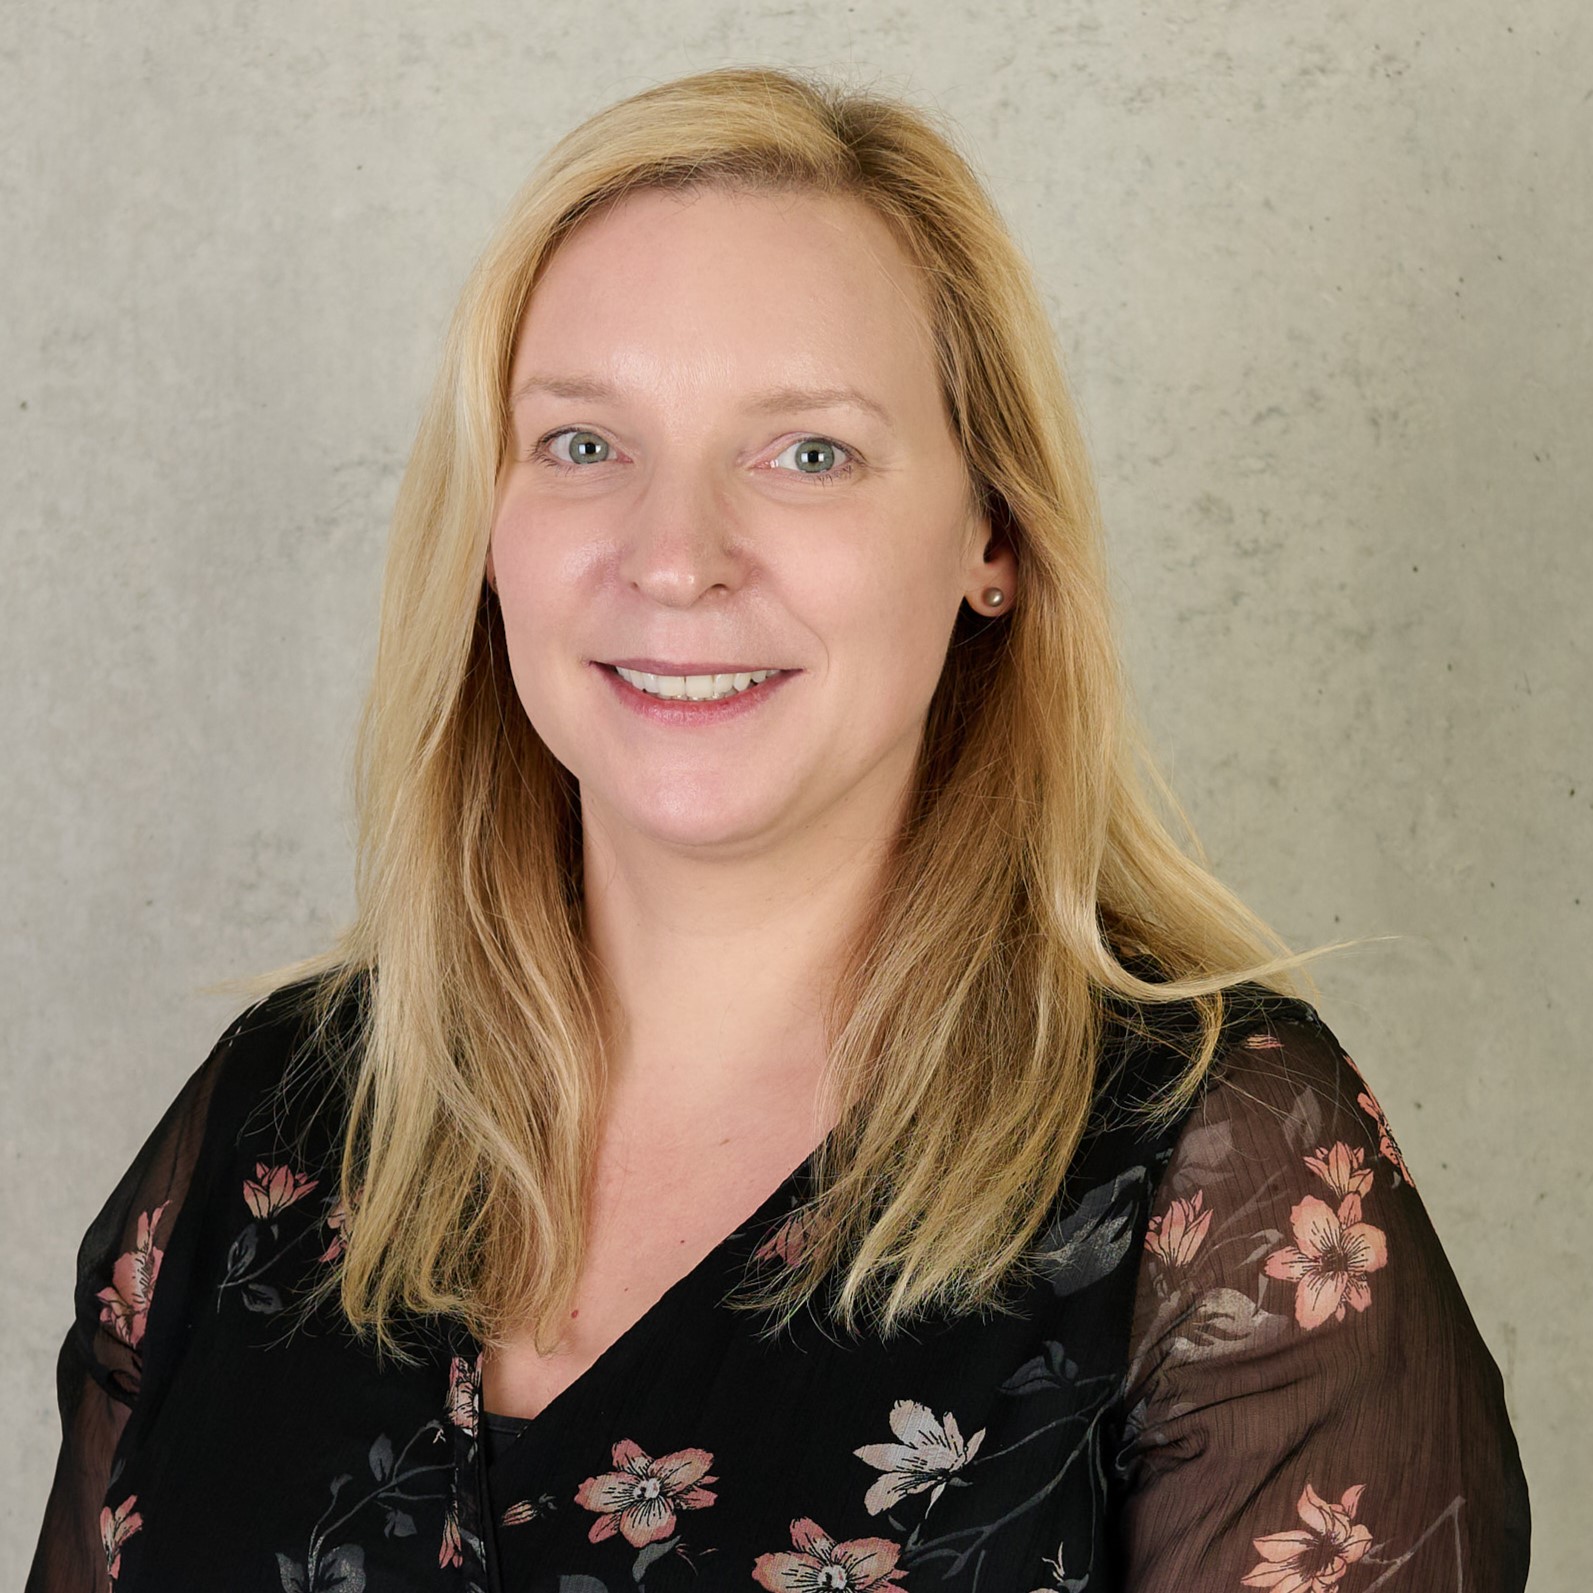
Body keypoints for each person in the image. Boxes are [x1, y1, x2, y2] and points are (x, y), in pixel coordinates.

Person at [27, 66, 1528, 1592]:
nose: (674, 560)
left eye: (806, 452)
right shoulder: (267, 1127)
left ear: (989, 537)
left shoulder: (1226, 1186)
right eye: (582, 443)